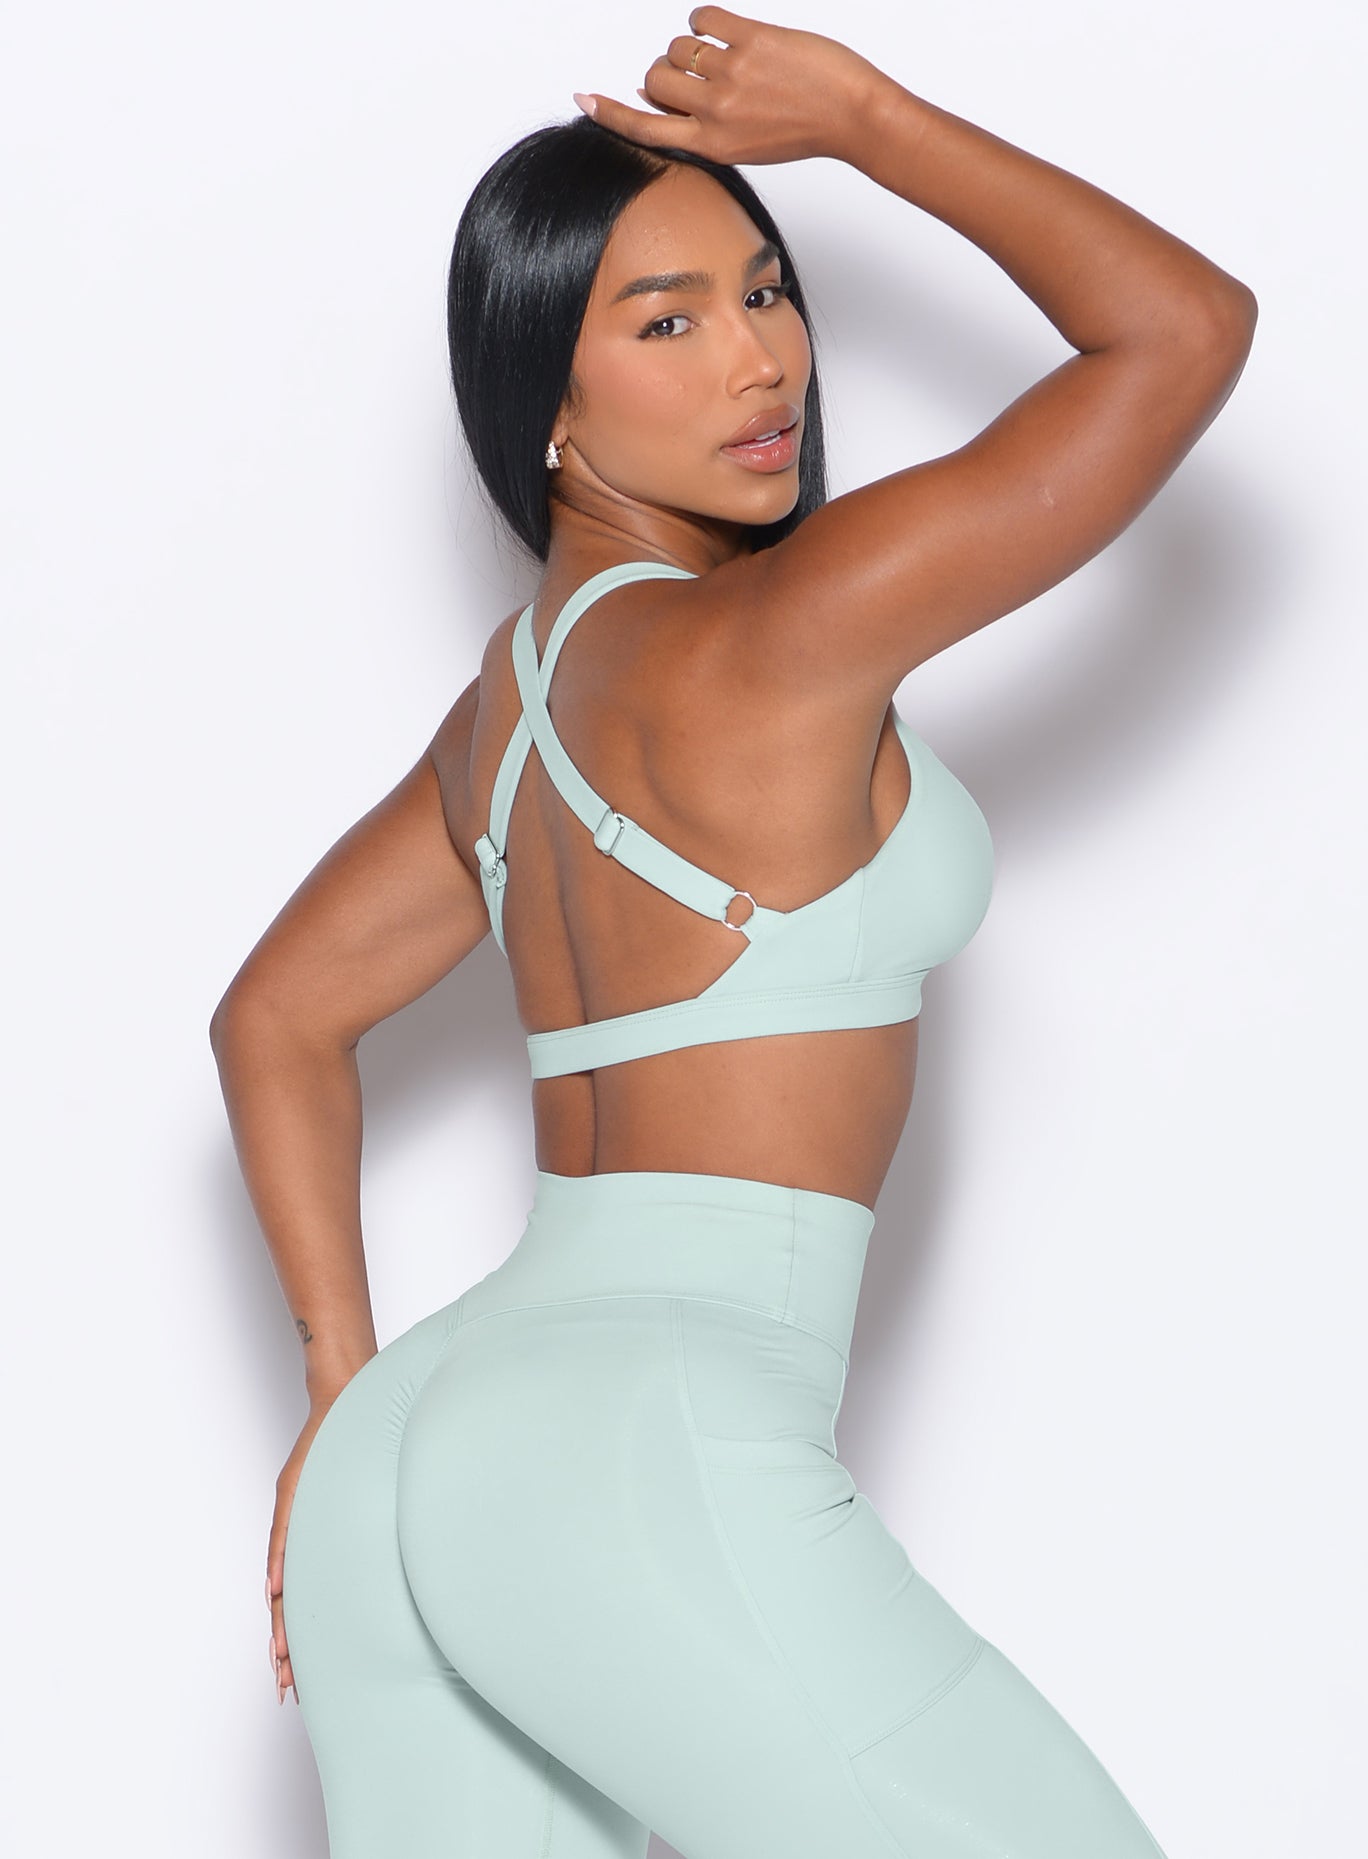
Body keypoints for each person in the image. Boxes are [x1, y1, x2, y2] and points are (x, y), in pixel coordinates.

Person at [209, 8, 1255, 1855]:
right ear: (545, 403)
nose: (762, 357)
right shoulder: (792, 632)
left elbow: (274, 1019)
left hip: (420, 1448)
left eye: (767, 292)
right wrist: (864, 117)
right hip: (642, 1441)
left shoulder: (504, 716)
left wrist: (338, 1397)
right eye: (667, 321)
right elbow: (1183, 333)